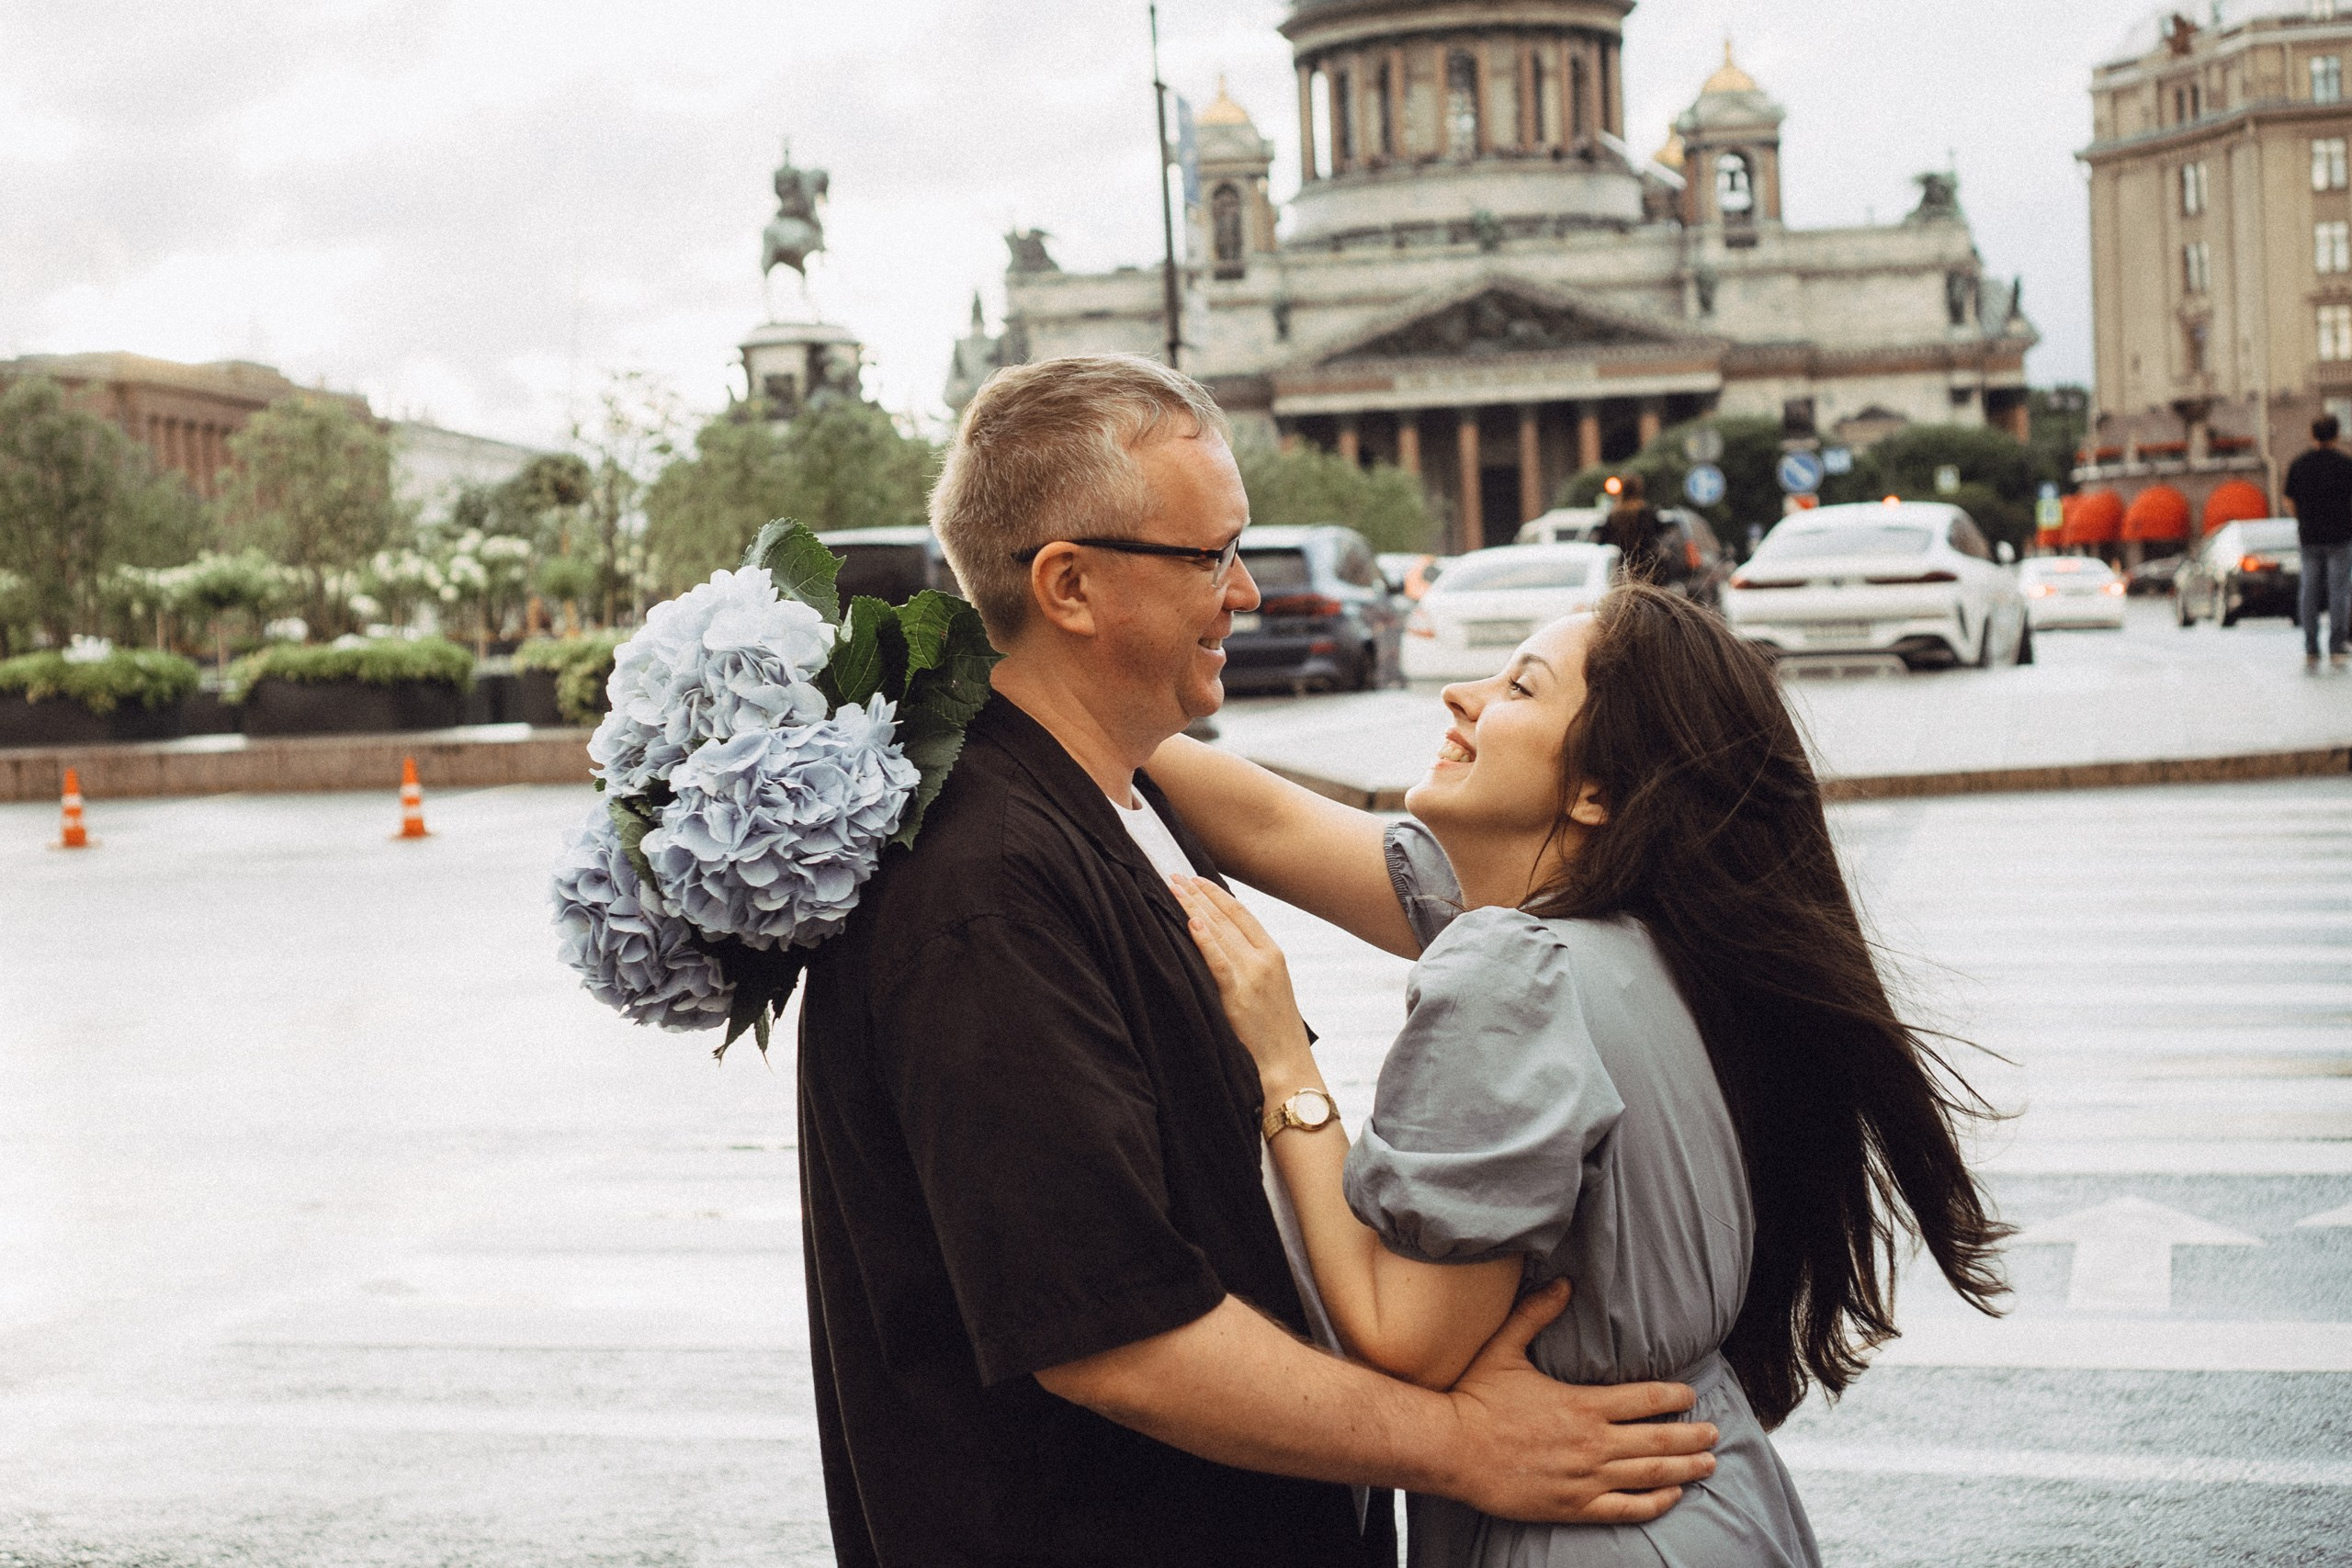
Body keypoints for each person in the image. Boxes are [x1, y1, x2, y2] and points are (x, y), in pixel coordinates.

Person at [795, 356, 1718, 1568]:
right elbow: (1111, 1332)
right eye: (1209, 557)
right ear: (1068, 583)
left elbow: (1365, 854)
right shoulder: (984, 886)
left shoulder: (1112, 794)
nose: (1249, 593)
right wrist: (1458, 1443)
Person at [1148, 585, 2013, 1566]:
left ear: (1599, 793)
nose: (1461, 697)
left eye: (1519, 686)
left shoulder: (1512, 973)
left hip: (1585, 1530)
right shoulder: (1663, 936)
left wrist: (1281, 1060)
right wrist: (1065, 692)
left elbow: (1403, 1334)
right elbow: (1262, 822)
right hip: (1711, 1512)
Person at [2281, 413, 2352, 668]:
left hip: (2309, 537)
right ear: (2336, 435)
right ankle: (2337, 648)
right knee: (2339, 593)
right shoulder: (2345, 464)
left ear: (2312, 435)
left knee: (2309, 592)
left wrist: (2305, 516)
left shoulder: (2300, 464)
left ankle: (2311, 647)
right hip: (2340, 537)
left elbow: (2288, 500)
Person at [1600, 473, 1673, 586]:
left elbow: (1602, 538)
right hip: (1648, 565)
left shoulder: (1614, 514)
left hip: (1625, 566)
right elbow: (1661, 533)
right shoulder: (1647, 512)